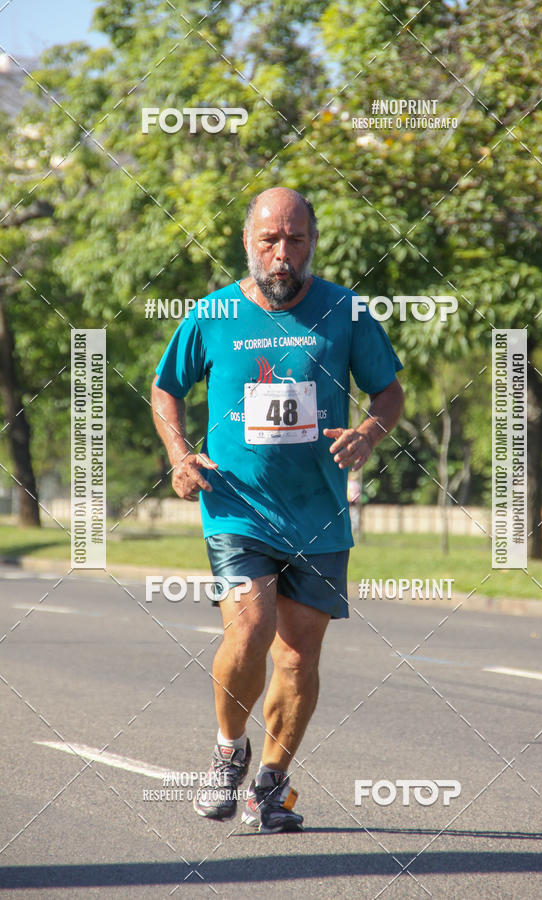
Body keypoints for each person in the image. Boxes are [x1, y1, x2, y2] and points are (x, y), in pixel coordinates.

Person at [151, 186, 404, 833]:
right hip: (236, 506)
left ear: (313, 242)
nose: (282, 253)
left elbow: (388, 394)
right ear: (247, 243)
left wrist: (368, 435)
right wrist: (180, 455)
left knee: (298, 657)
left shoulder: (346, 311)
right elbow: (165, 389)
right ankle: (228, 751)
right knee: (250, 626)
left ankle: (270, 783)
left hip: (317, 513)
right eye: (270, 240)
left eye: (295, 239)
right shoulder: (211, 314)